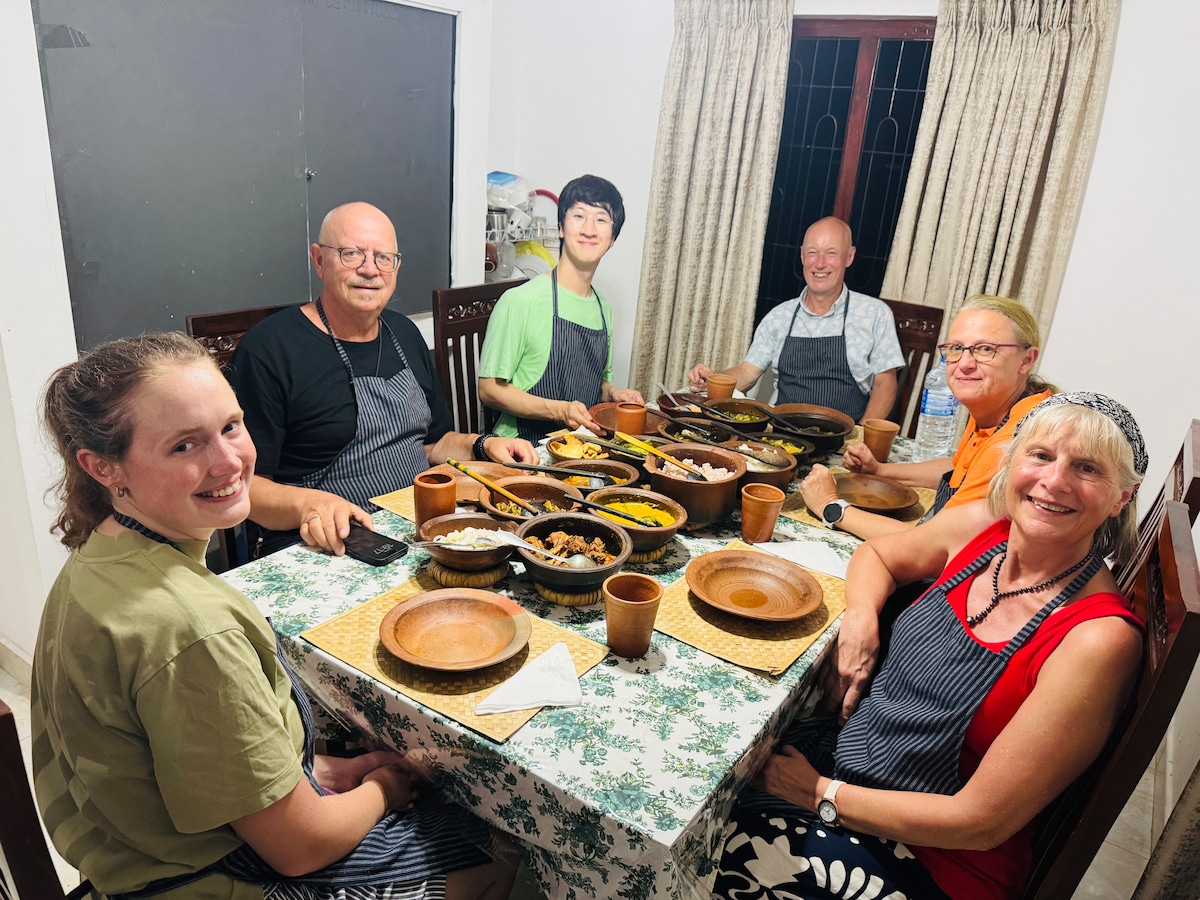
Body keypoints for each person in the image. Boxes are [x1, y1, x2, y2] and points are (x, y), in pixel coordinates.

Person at [32, 333, 516, 900]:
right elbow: (301, 847)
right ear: (103, 467)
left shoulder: (100, 555)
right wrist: (384, 787)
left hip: (134, 842)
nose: (229, 461)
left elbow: (190, 752)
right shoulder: (191, 627)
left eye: (231, 426)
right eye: (184, 445)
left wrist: (319, 773)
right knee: (503, 848)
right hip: (196, 880)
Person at [713, 392, 1148, 900]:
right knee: (712, 764)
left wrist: (815, 793)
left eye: (1087, 468)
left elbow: (979, 822)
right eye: (1041, 455)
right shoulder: (987, 530)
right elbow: (878, 555)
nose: (1054, 481)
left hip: (932, 861)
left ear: (1121, 497)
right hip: (856, 770)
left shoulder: (1097, 639)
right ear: (1011, 463)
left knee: (708, 847)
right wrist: (861, 618)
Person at [229, 202, 537, 558]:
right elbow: (243, 485)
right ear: (319, 260)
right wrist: (308, 505)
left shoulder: (403, 333)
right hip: (325, 546)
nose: (370, 269)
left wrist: (484, 444)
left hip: (415, 528)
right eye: (351, 254)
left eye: (383, 258)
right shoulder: (270, 349)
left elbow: (433, 443)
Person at [800, 295, 1056, 540]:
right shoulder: (1004, 404)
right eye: (957, 348)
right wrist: (880, 470)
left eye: (985, 349)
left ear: (1026, 360)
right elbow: (958, 469)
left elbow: (932, 543)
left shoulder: (1015, 441)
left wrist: (829, 505)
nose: (965, 363)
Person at [685, 217, 904, 422]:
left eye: (831, 253)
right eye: (812, 253)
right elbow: (747, 372)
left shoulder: (874, 314)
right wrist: (713, 380)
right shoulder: (779, 317)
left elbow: (885, 386)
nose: (820, 263)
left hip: (845, 437)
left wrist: (862, 437)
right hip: (783, 432)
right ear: (802, 256)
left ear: (849, 256)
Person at [477, 174, 644, 440]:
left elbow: (596, 384)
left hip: (581, 446)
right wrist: (560, 410)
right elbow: (489, 390)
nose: (589, 229)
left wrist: (613, 393)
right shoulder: (520, 301)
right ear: (561, 228)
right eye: (579, 216)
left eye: (601, 219)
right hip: (524, 448)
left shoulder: (604, 308)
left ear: (612, 238)